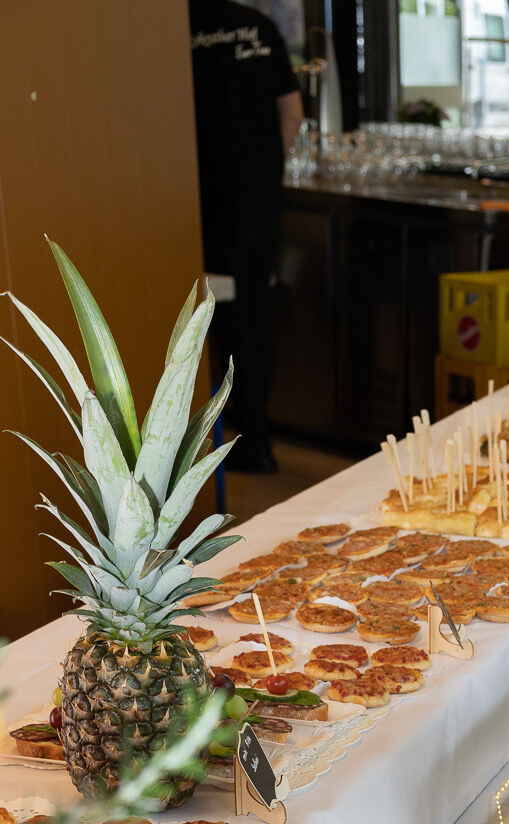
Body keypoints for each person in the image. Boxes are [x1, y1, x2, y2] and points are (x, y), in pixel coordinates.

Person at [188, 0, 303, 473]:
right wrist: (268, 170)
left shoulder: (179, 30)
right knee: (256, 312)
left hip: (212, 203)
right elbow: (293, 113)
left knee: (231, 320)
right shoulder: (259, 26)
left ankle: (253, 442)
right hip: (262, 202)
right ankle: (258, 436)